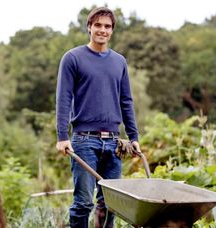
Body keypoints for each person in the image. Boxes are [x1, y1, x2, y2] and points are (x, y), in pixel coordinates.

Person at [56, 6, 141, 228]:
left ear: (112, 30)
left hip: (114, 143)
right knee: (83, 203)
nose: (102, 30)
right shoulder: (73, 58)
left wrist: (133, 136)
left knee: (110, 204)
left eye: (107, 26)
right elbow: (63, 98)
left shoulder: (119, 61)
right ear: (89, 27)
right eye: (98, 25)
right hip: (84, 141)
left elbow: (126, 101)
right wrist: (62, 136)